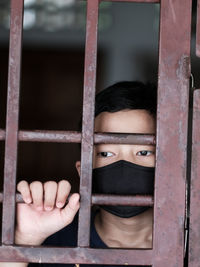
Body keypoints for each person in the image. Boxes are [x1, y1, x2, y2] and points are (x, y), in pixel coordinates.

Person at [0, 81, 156, 267]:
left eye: (143, 152)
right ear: (83, 170)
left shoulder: (190, 245)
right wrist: (26, 240)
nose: (123, 165)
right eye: (106, 154)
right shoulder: (53, 244)